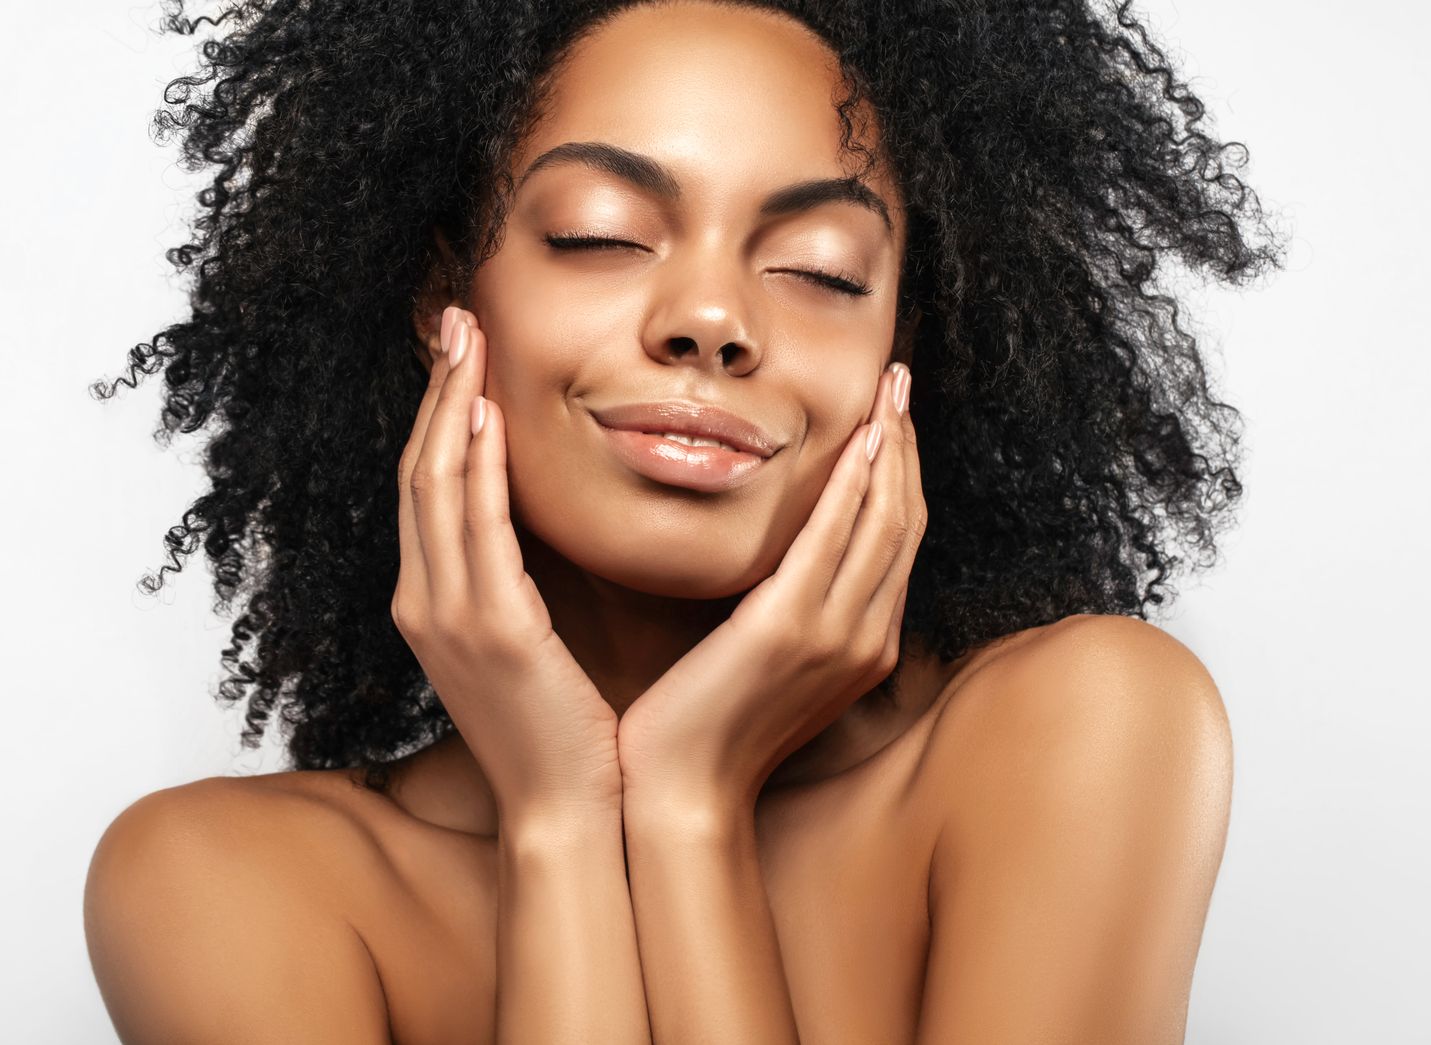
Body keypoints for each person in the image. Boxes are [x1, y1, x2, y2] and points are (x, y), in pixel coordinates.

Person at [81, 0, 1284, 1040]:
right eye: (599, 234)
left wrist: (688, 808)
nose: (712, 317)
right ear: (446, 301)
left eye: (819, 268)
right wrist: (561, 816)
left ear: (898, 353)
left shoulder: (1083, 730)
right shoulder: (223, 886)